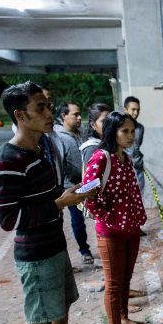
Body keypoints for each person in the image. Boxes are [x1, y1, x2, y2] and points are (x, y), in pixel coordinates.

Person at [0, 81, 99, 324]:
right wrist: (59, 204)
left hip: (55, 244)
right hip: (35, 255)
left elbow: (50, 195)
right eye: (41, 108)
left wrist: (75, 191)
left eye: (48, 105)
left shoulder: (44, 147)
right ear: (21, 115)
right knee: (40, 320)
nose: (49, 112)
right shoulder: (7, 160)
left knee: (61, 307)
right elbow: (8, 219)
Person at [83, 111, 149, 324]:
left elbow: (133, 192)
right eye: (125, 131)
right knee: (113, 283)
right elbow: (88, 194)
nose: (131, 136)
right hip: (111, 232)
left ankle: (124, 318)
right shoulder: (101, 159)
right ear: (112, 132)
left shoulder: (125, 159)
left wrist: (135, 218)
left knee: (125, 278)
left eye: (132, 131)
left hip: (131, 228)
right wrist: (106, 216)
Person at [52, 102, 94, 264]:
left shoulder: (81, 134)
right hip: (72, 188)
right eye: (75, 114)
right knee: (78, 220)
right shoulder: (59, 138)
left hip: (87, 184)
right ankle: (84, 250)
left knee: (95, 214)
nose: (78, 118)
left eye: (79, 114)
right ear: (64, 116)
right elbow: (61, 164)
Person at [122, 96, 147, 237]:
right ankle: (126, 228)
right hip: (124, 169)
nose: (135, 113)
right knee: (125, 200)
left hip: (138, 167)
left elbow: (136, 147)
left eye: (138, 110)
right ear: (125, 109)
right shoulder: (118, 127)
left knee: (138, 199)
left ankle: (136, 227)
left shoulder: (140, 128)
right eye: (133, 109)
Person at [79, 103, 111, 168]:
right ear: (93, 125)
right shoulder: (91, 148)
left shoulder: (108, 143)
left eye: (110, 120)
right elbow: (90, 176)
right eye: (104, 121)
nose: (109, 124)